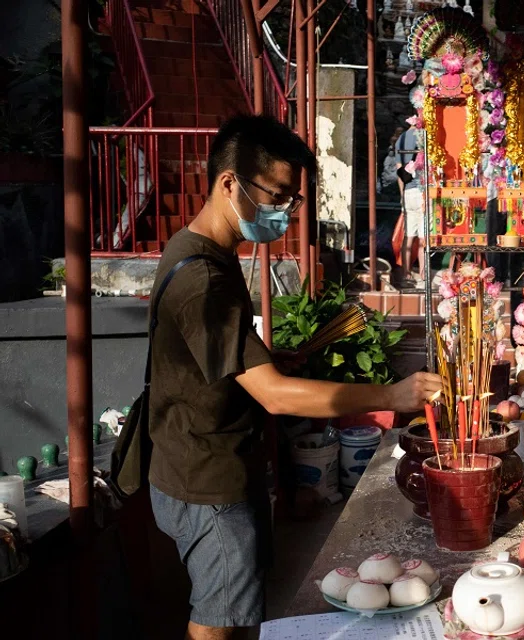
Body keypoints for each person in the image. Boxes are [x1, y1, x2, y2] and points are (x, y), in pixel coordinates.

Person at [147, 115, 441, 640]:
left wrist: (266, 359)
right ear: (229, 183)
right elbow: (276, 397)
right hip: (207, 478)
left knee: (236, 606)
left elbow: (218, 362)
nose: (284, 212)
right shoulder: (203, 278)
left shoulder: (200, 251)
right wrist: (392, 394)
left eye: (292, 200)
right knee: (218, 617)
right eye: (278, 196)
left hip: (202, 462)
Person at [395, 125, 425, 286]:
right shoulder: (425, 136)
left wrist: (402, 195)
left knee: (408, 235)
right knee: (422, 237)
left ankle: (406, 273)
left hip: (407, 192)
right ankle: (423, 273)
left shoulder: (401, 139)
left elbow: (399, 171)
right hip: (422, 191)